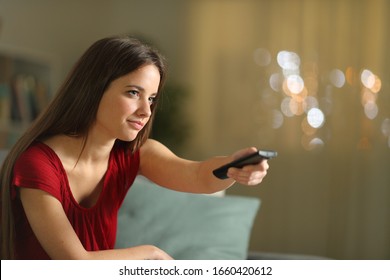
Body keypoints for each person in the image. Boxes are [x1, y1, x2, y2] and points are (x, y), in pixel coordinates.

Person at [0, 35, 269, 260]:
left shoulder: (136, 154)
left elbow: (197, 175)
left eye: (151, 98)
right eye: (133, 93)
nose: (146, 111)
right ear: (94, 89)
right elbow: (75, 262)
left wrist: (233, 167)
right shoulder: (37, 163)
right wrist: (148, 254)